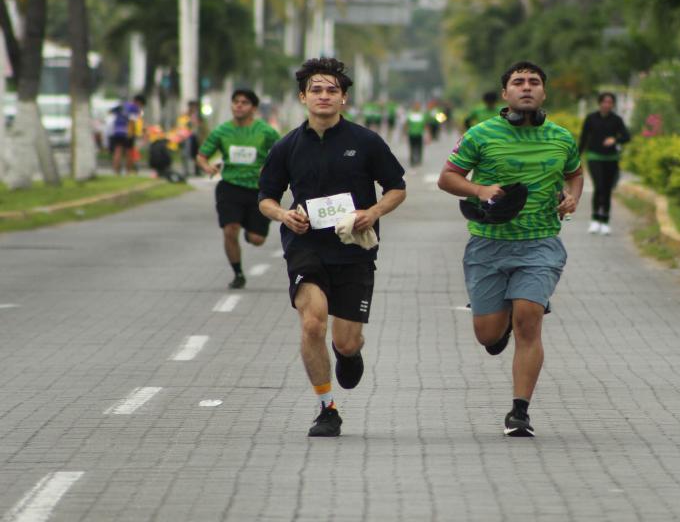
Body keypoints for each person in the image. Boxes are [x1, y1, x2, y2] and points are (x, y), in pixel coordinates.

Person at [258, 57, 406, 438]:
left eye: (332, 90)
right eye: (316, 90)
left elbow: (397, 188)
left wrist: (372, 212)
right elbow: (267, 197)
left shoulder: (366, 142)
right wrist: (283, 215)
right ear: (303, 97)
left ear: (343, 99)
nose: (324, 96)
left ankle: (350, 352)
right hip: (306, 245)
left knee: (344, 338)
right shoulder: (287, 145)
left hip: (355, 247)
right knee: (312, 322)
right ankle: (326, 408)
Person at [437, 61, 583, 437]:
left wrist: (573, 197)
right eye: (518, 82)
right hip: (488, 245)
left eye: (534, 82)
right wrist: (480, 190)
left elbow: (575, 173)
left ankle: (519, 412)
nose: (527, 87)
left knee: (529, 319)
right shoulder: (480, 135)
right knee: (488, 335)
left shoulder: (562, 138)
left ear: (544, 92)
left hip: (541, 244)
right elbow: (447, 178)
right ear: (505, 93)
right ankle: (497, 330)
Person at [197, 89, 281, 289]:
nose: (239, 106)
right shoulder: (221, 131)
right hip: (230, 187)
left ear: (253, 108)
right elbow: (201, 155)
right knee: (229, 230)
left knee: (257, 239)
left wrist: (269, 167)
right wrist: (207, 166)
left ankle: (249, 227)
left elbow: (282, 153)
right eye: (235, 102)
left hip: (258, 190)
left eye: (244, 102)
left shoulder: (266, 131)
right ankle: (238, 273)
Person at [579, 92, 631, 235]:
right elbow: (584, 138)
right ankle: (595, 220)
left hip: (611, 159)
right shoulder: (591, 118)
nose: (607, 105)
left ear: (613, 104)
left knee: (607, 190)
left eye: (610, 102)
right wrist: (576, 156)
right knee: (599, 187)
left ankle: (605, 221)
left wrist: (615, 140)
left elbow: (627, 136)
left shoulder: (617, 120)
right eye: (604, 102)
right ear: (600, 103)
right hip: (594, 157)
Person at [109, 94, 144, 175]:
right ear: (138, 102)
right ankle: (128, 171)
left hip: (117, 131)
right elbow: (133, 121)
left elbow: (111, 112)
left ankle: (116, 171)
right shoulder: (135, 108)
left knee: (117, 151)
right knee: (129, 152)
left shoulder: (122, 105)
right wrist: (136, 133)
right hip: (128, 133)